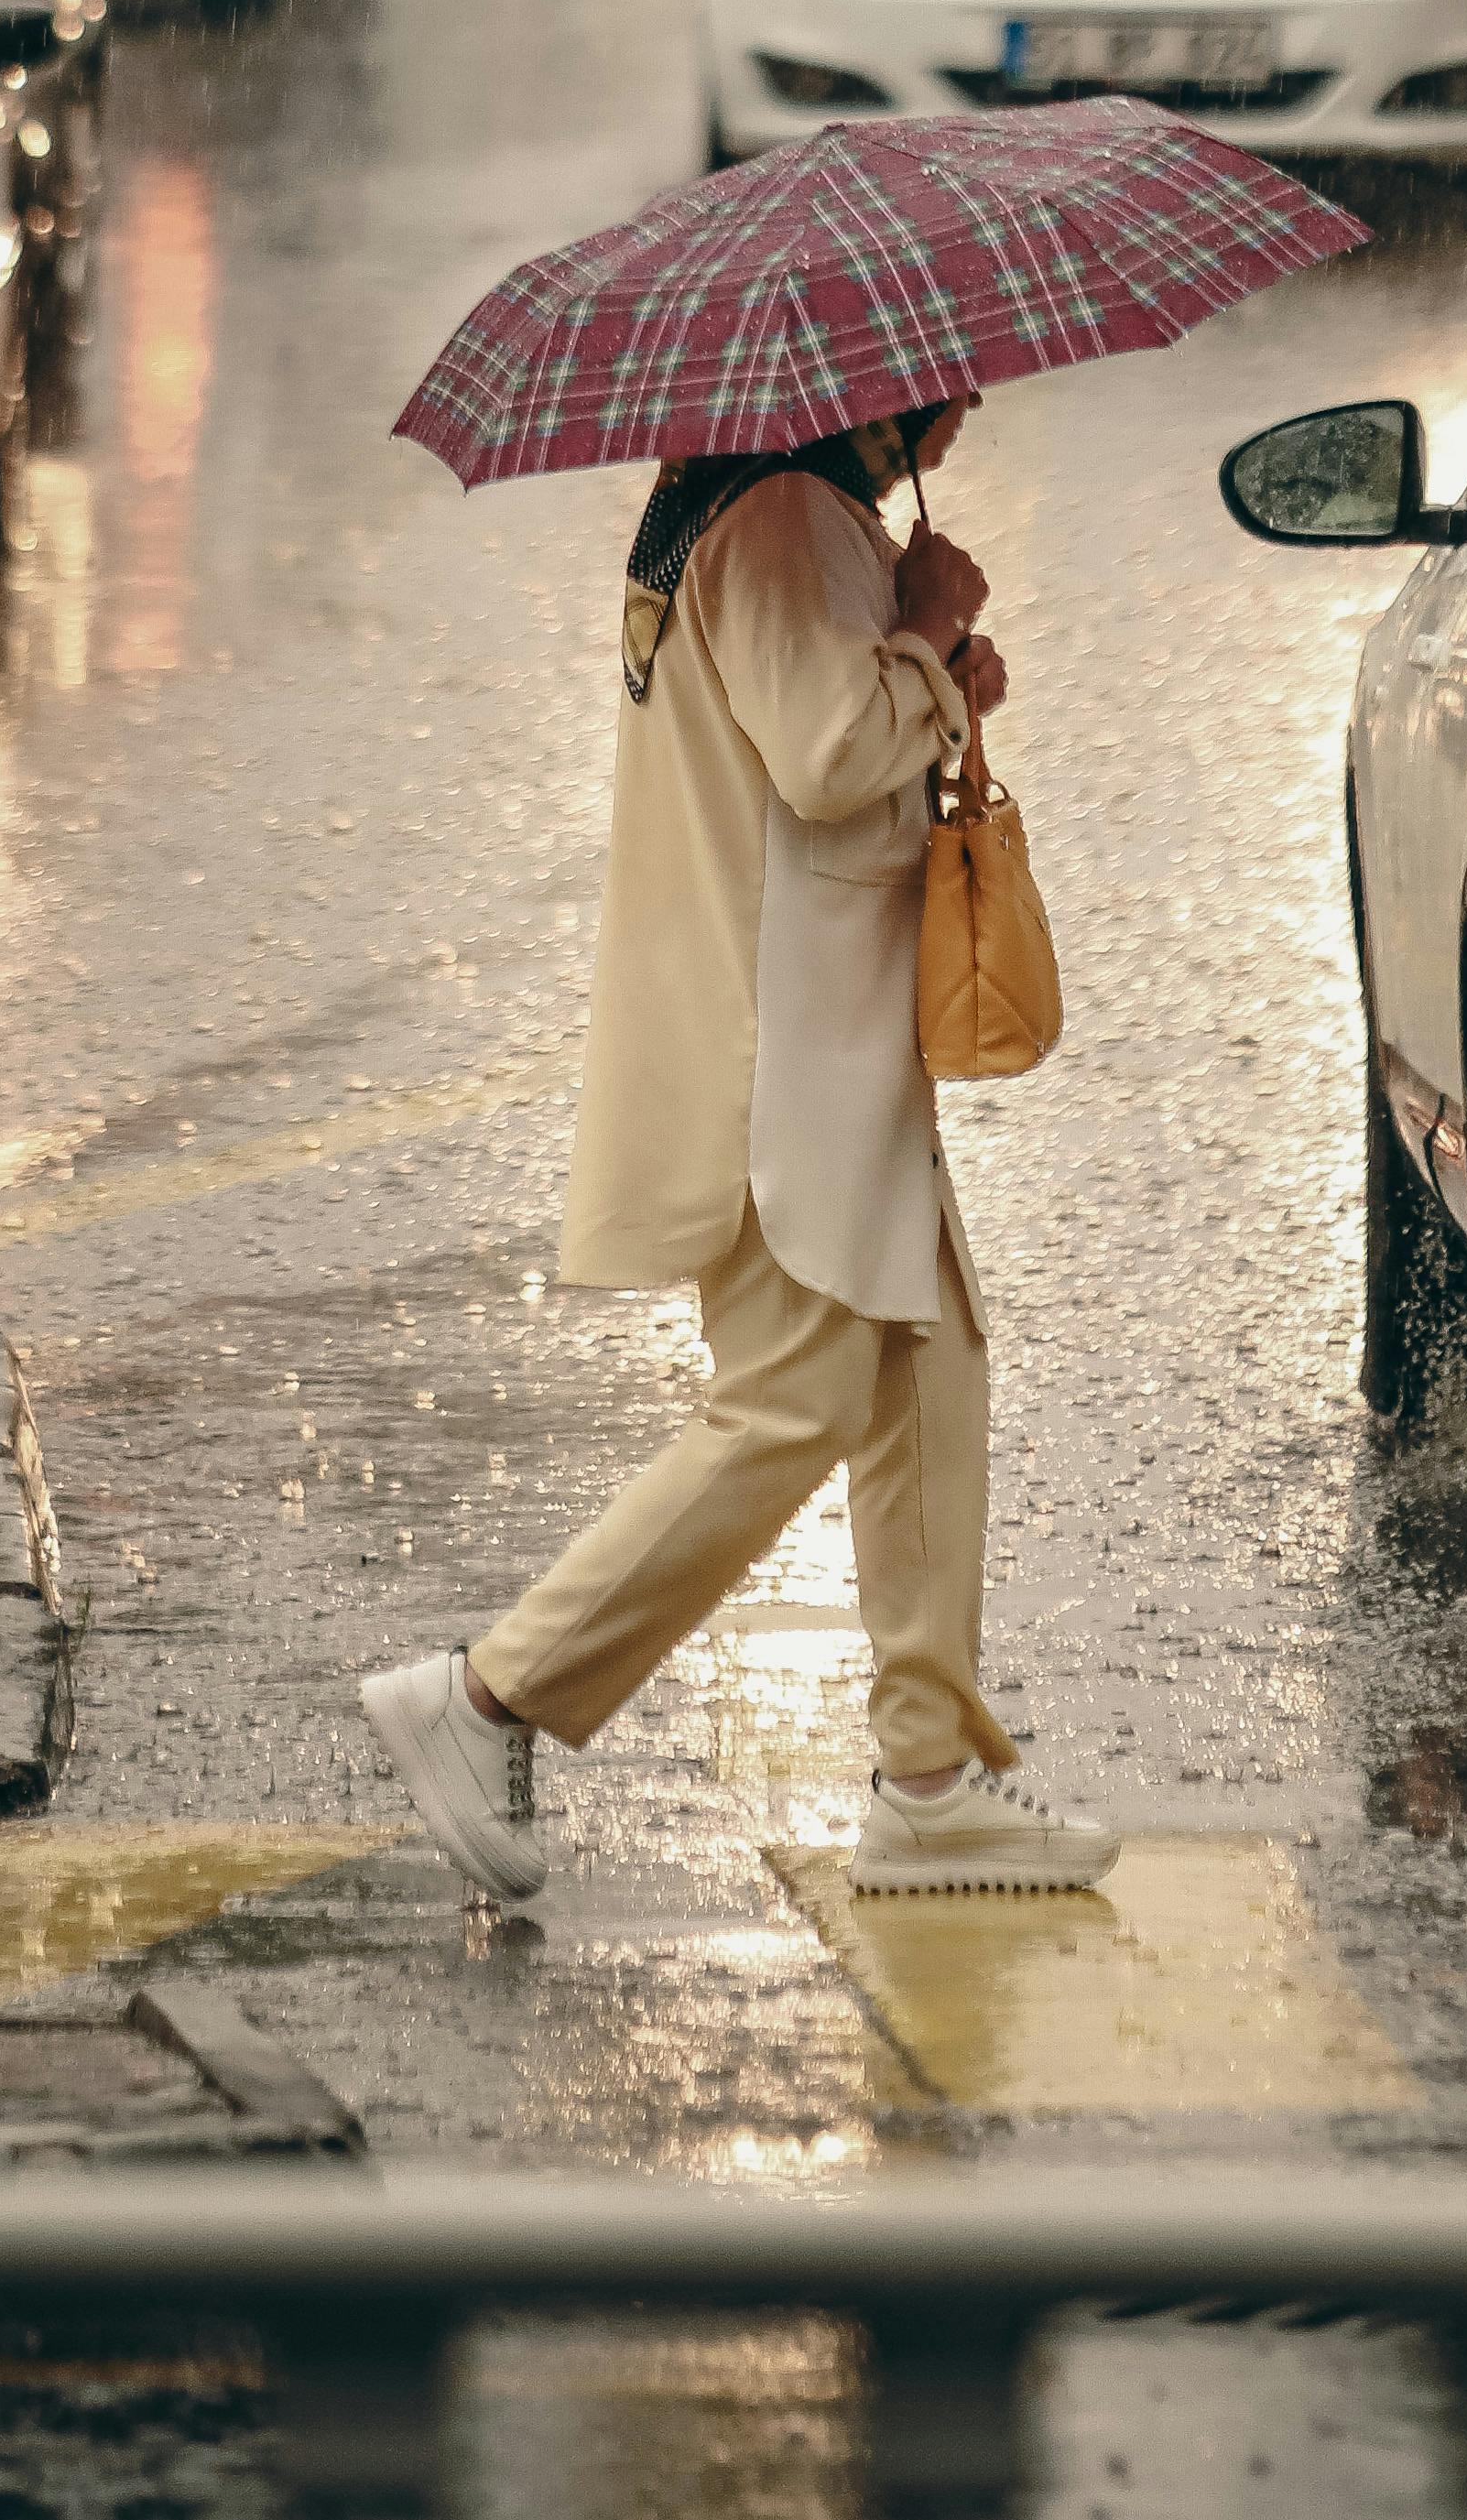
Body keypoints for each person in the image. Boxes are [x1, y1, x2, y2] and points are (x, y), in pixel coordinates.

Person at [363, 398, 1118, 1903]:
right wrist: (930, 638)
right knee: (798, 1395)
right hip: (785, 1064)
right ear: (873, 381)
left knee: (926, 1370)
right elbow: (833, 750)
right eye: (945, 378)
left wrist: (935, 670)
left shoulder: (756, 501)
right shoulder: (776, 515)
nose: (966, 401)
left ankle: (926, 1779)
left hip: (831, 1046)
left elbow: (834, 731)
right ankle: (488, 1690)